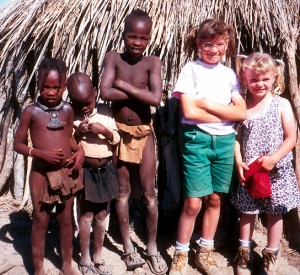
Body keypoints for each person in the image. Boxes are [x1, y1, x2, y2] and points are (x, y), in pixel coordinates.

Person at [169, 18, 247, 275]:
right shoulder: (190, 70)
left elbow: (242, 111)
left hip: (224, 143)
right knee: (193, 203)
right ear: (198, 44)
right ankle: (180, 253)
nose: (214, 50)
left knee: (215, 199)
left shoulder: (229, 75)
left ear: (228, 44)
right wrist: (226, 114)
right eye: (208, 44)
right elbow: (189, 111)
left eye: (220, 45)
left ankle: (205, 250)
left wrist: (207, 105)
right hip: (197, 140)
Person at [100, 9, 168, 275]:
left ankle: (151, 247)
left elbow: (154, 98)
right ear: (124, 35)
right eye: (132, 36)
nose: (137, 42)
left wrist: (123, 86)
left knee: (150, 193)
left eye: (143, 37)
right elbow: (105, 92)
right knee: (123, 191)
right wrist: (135, 91)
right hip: (118, 132)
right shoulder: (113, 58)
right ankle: (128, 248)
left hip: (143, 133)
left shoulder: (152, 62)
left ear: (149, 39)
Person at [13, 57, 84, 275]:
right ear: (38, 86)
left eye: (56, 87)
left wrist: (80, 151)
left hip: (66, 173)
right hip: (41, 173)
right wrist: (39, 153)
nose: (50, 92)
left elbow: (69, 138)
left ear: (64, 87)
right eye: (45, 87)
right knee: (41, 219)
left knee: (65, 220)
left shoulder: (68, 111)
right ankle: (39, 269)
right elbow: (18, 144)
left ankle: (66, 265)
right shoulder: (31, 112)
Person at [231, 52, 300, 275]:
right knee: (247, 212)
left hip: (276, 171)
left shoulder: (282, 104)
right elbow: (234, 138)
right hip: (250, 172)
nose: (259, 84)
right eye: (254, 80)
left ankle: (271, 255)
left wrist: (273, 159)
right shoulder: (241, 106)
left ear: (275, 78)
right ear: (245, 79)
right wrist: (239, 162)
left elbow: (291, 137)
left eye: (265, 79)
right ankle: (244, 255)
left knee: (274, 213)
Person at [67, 72, 120, 275]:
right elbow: (69, 144)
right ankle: (84, 258)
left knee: (101, 215)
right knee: (86, 215)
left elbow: (116, 139)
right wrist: (78, 133)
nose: (84, 108)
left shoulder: (106, 112)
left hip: (105, 169)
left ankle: (98, 256)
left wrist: (104, 131)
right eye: (78, 103)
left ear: (96, 93)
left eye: (88, 102)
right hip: (85, 170)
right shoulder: (71, 116)